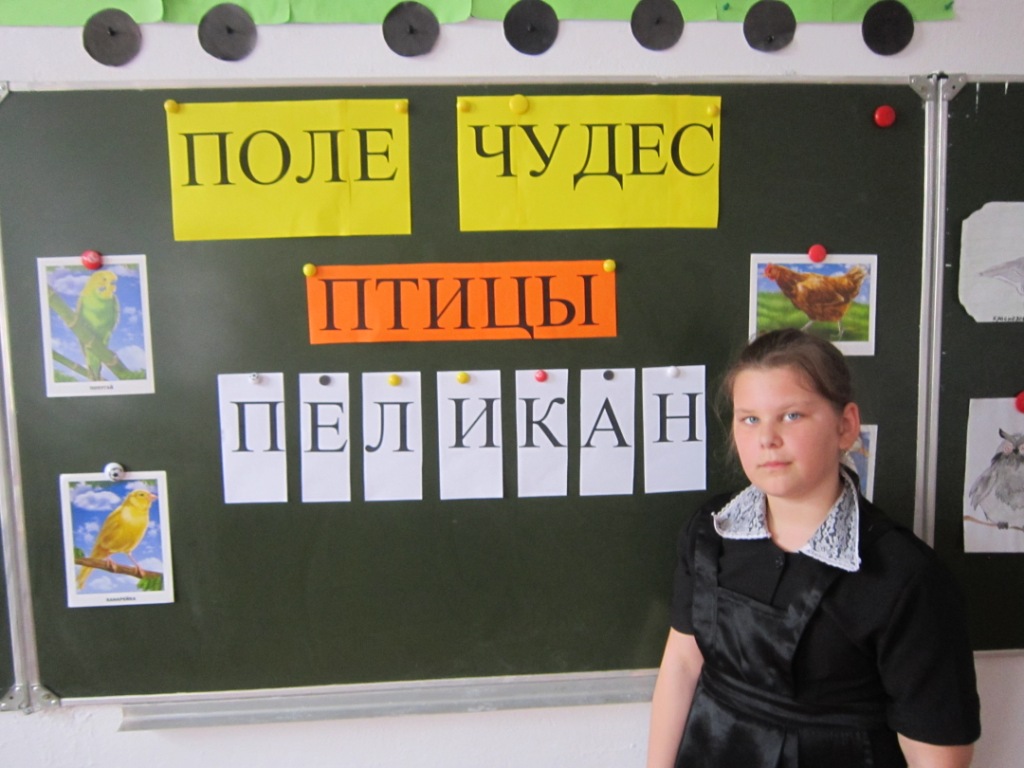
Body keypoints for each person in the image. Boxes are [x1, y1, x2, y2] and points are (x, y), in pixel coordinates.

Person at [646, 329, 981, 768]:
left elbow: (937, 755)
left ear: (846, 426)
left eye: (791, 416)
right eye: (750, 419)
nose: (767, 438)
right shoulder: (709, 531)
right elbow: (682, 664)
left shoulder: (904, 576)